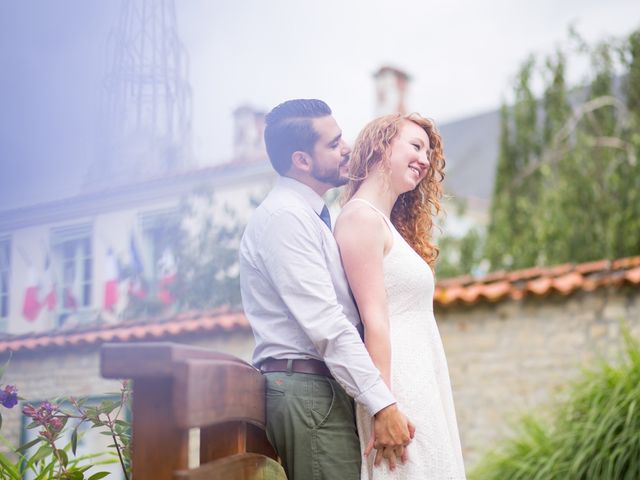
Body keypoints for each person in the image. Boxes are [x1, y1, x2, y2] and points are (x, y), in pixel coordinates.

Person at [239, 99, 414, 480]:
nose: (347, 148)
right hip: (307, 390)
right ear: (301, 160)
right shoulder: (285, 218)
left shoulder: (311, 214)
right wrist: (383, 404)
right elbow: (326, 324)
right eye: (334, 144)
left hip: (320, 388)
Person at [334, 113, 466, 479]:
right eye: (415, 146)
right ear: (381, 147)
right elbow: (374, 320)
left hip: (420, 378)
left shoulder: (382, 222)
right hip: (400, 387)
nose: (425, 159)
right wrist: (384, 406)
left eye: (428, 152)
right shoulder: (360, 219)